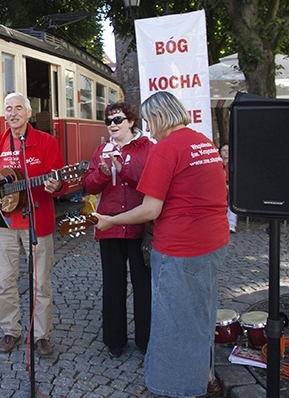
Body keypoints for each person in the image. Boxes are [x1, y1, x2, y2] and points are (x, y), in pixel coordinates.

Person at [93, 91, 229, 398]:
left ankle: (177, 387)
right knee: (202, 314)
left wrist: (111, 220)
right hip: (214, 240)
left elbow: (150, 210)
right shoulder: (203, 142)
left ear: (158, 117)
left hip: (182, 247)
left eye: (148, 119)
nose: (147, 126)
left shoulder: (167, 149)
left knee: (175, 321)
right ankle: (206, 375)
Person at [0, 92, 64, 357]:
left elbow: (60, 179)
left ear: (29, 113)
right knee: (6, 281)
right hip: (4, 223)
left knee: (41, 283)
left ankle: (41, 336)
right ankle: (11, 330)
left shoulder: (46, 142)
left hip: (37, 223)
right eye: (8, 109)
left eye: (18, 108)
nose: (13, 113)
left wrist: (56, 184)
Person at [82, 101, 153, 358]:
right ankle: (115, 339)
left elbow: (151, 184)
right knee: (113, 285)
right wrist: (102, 172)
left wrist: (125, 170)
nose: (112, 125)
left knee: (143, 284)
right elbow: (89, 186)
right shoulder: (101, 149)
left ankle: (145, 339)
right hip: (108, 225)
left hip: (138, 225)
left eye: (118, 119)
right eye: (108, 121)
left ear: (131, 122)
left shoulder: (147, 147)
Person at [219, 143, 238, 233]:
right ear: (220, 152)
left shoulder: (234, 165)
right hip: (217, 188)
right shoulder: (216, 163)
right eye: (224, 151)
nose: (226, 153)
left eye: (228, 151)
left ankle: (231, 224)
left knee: (233, 198)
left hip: (231, 188)